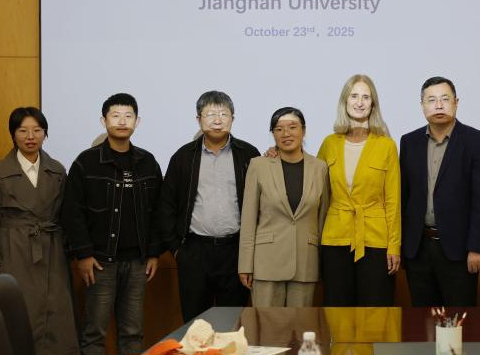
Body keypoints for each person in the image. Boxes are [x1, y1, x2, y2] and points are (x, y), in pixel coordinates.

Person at [61, 93, 164, 355]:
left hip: (138, 262)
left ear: (137, 122)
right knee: (94, 332)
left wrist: (153, 252)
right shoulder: (86, 162)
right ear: (103, 120)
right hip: (99, 262)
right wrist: (83, 254)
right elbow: (72, 212)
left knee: (133, 332)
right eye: (115, 115)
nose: (122, 121)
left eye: (128, 116)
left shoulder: (148, 162)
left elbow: (157, 211)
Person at [0, 107, 79, 354]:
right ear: (13, 134)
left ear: (45, 133)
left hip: (52, 253)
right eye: (23, 130)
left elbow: (68, 216)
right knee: (19, 315)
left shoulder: (57, 170)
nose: (30, 136)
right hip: (13, 251)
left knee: (56, 317)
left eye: (37, 130)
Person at [159, 91, 260, 322]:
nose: (217, 120)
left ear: (232, 118)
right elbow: (167, 205)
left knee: (232, 322)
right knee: (195, 324)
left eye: (223, 114)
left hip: (235, 251)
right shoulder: (183, 156)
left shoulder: (248, 154)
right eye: (210, 114)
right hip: (195, 251)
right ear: (199, 119)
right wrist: (176, 249)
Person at [400, 76, 480, 306]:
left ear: (456, 103)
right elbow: (404, 196)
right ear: (422, 105)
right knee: (422, 319)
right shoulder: (409, 142)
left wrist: (476, 247)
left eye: (445, 99)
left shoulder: (477, 142)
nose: (438, 105)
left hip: (459, 250)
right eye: (431, 100)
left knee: (459, 319)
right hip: (418, 248)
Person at [317, 75, 402, 306]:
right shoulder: (329, 143)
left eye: (366, 97)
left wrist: (394, 245)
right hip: (335, 238)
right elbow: (314, 186)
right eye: (354, 96)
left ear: (373, 104)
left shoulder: (386, 145)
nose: (360, 102)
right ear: (345, 101)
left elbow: (393, 200)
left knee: (375, 310)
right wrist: (277, 153)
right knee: (337, 310)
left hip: (376, 240)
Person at [238, 107, 330, 307]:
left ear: (303, 130)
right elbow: (248, 218)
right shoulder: (259, 165)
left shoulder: (320, 168)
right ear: (273, 134)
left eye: (292, 127)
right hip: (266, 263)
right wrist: (245, 264)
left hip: (306, 263)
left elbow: (322, 219)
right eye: (279, 129)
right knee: (266, 324)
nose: (286, 133)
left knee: (300, 324)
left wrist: (323, 265)